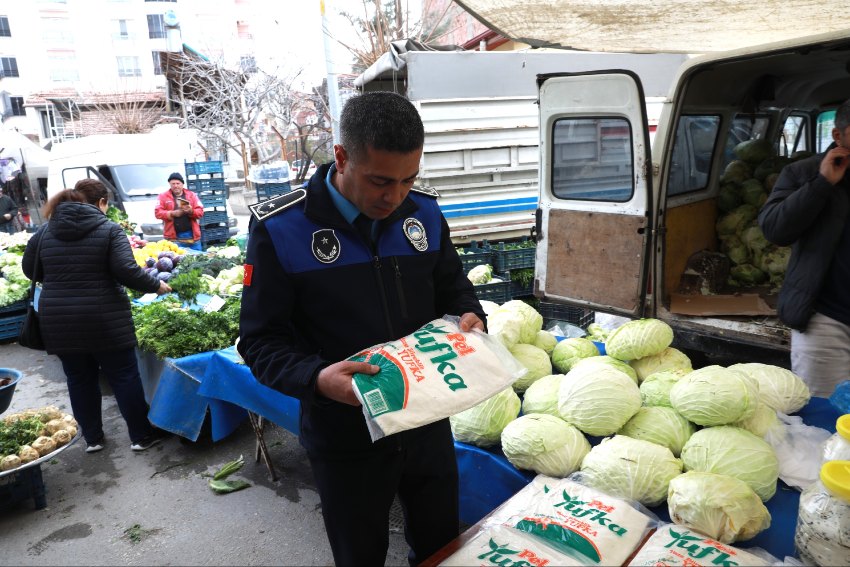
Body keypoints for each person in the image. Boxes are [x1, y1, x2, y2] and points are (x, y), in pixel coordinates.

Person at [238, 91, 486, 566]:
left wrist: (471, 315)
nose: (394, 197)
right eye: (379, 181)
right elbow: (260, 340)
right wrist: (316, 380)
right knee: (360, 555)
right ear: (342, 157)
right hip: (345, 435)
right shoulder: (282, 229)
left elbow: (454, 290)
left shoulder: (424, 213)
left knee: (442, 548)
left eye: (408, 180)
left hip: (426, 420)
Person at [21, 179, 172, 453]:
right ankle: (140, 436)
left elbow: (31, 271)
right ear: (100, 203)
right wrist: (156, 284)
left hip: (60, 320)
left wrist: (60, 280)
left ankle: (92, 439)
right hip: (105, 317)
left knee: (79, 378)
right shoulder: (109, 229)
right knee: (124, 375)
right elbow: (126, 270)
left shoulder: (43, 233)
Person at [758, 99, 850, 398]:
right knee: (824, 417)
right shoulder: (803, 173)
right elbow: (774, 229)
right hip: (826, 320)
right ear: (838, 136)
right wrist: (822, 184)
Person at [154, 172, 204, 251]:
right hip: (173, 238)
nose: (175, 186)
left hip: (192, 235)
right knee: (176, 261)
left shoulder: (192, 195)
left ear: (182, 184)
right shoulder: (163, 196)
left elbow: (200, 212)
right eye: (173, 183)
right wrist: (172, 213)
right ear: (169, 184)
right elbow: (157, 213)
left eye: (178, 183)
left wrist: (191, 211)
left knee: (196, 259)